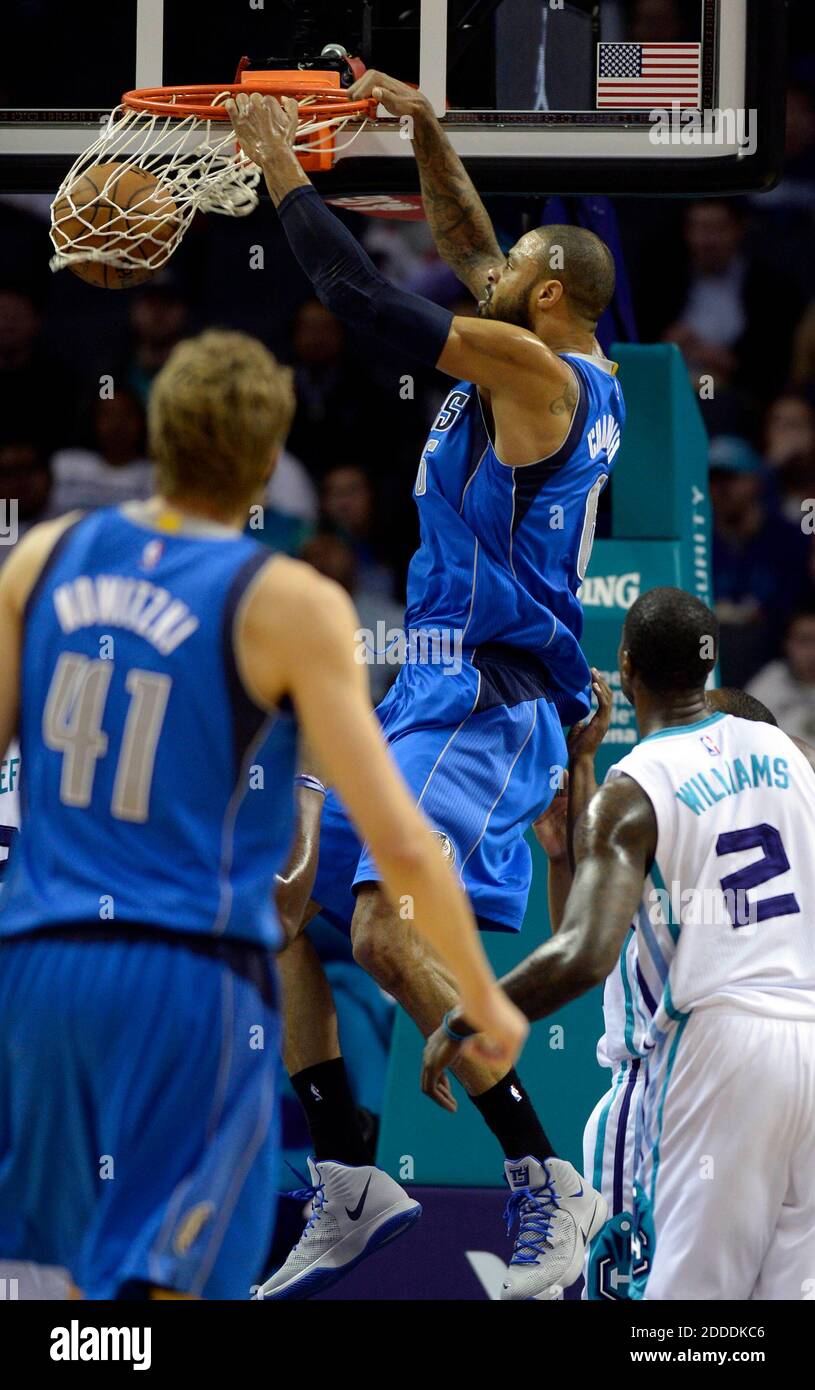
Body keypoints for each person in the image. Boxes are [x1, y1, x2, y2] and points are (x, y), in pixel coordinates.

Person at [0, 328, 524, 1300]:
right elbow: (401, 836)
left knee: (52, 1269)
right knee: (163, 1281)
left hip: (37, 962)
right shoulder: (285, 600)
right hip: (183, 976)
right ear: (266, 453)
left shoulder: (40, 557)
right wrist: (484, 1003)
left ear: (157, 429)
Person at [227, 72, 623, 1301]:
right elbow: (467, 237)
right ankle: (348, 1180)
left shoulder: (532, 373)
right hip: (425, 691)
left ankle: (548, 1188)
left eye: (507, 272)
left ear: (541, 293)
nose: (476, 266)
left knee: (389, 933)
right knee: (286, 904)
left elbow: (356, 292)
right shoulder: (545, 343)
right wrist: (425, 128)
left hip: (484, 698)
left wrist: (278, 164)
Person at [426, 587, 815, 1299]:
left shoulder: (634, 788)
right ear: (710, 665)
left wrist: (465, 1015)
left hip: (709, 1054)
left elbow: (583, 952)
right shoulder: (786, 749)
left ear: (625, 664)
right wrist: (569, 834)